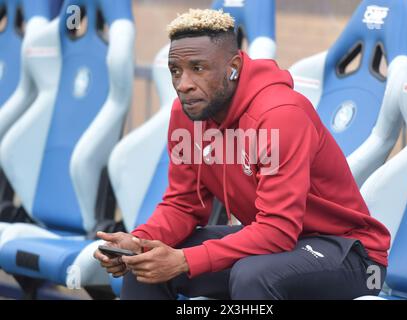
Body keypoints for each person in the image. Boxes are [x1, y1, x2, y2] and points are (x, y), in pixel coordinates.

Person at [94, 8, 390, 300]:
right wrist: (138, 240)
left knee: (253, 274)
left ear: (233, 67)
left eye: (198, 68)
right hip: (275, 247)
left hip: (352, 256)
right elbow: (182, 205)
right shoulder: (188, 114)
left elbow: (278, 230)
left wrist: (185, 260)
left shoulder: (280, 115)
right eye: (176, 71)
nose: (183, 84)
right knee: (147, 261)